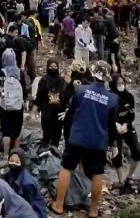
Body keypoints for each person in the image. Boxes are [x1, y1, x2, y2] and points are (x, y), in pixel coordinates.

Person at [51, 62, 118, 218]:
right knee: (97, 173)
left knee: (66, 168)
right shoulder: (113, 99)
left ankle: (59, 205)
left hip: (78, 137)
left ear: (93, 74)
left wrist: (67, 135)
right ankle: (93, 210)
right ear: (107, 78)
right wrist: (110, 145)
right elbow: (111, 125)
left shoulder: (81, 90)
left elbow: (70, 115)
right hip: (98, 141)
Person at [108, 74, 140, 188]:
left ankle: (129, 176)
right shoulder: (108, 96)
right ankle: (121, 180)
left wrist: (125, 125)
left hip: (126, 127)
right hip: (114, 128)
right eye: (118, 83)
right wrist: (116, 125)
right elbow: (105, 115)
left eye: (122, 83)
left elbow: (131, 115)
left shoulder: (129, 96)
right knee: (116, 155)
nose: (121, 85)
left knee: (137, 152)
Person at [33, 58, 73, 147]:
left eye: (55, 67)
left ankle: (54, 155)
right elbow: (39, 96)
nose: (53, 68)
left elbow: (66, 96)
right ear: (47, 67)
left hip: (59, 111)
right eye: (51, 67)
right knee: (46, 134)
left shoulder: (62, 81)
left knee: (57, 135)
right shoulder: (43, 80)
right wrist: (35, 110)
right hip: (47, 111)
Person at [0, 49, 26, 157]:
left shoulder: (1, 73)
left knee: (6, 131)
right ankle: (16, 153)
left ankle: (5, 155)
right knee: (17, 130)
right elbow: (24, 88)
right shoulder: (19, 73)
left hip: (5, 106)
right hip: (18, 106)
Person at [2, 148, 46, 218]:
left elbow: (29, 206)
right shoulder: (8, 174)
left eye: (17, 162)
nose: (13, 164)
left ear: (22, 163)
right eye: (11, 161)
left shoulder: (27, 184)